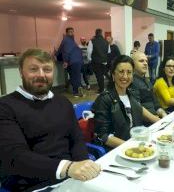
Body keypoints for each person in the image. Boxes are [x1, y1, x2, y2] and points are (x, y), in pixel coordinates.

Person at [0, 49, 100, 191]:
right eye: (33, 69)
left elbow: (76, 139)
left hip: (71, 179)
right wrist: (67, 167)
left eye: (47, 69)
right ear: (21, 72)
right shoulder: (5, 106)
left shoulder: (63, 102)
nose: (41, 75)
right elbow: (16, 156)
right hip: (33, 186)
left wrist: (82, 164)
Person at [92, 55, 160, 149]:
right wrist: (130, 146)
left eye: (129, 72)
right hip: (118, 149)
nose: (125, 76)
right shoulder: (104, 99)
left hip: (136, 143)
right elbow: (103, 135)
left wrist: (164, 122)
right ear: (113, 75)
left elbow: (142, 112)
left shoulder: (132, 95)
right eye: (121, 72)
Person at [131, 52, 167, 120]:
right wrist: (156, 120)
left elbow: (156, 104)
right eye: (141, 61)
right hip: (145, 124)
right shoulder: (131, 82)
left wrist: (163, 114)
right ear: (132, 64)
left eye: (146, 61)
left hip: (156, 119)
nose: (145, 63)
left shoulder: (148, 81)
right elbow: (137, 108)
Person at [56, 27, 83, 97]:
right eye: (70, 32)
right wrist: (65, 61)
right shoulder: (67, 40)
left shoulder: (70, 40)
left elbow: (62, 50)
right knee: (75, 76)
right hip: (75, 61)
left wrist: (59, 57)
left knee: (74, 76)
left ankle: (76, 91)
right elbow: (65, 51)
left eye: (72, 31)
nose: (71, 33)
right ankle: (76, 91)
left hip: (75, 61)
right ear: (67, 33)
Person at [87, 28, 109, 93]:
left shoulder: (92, 41)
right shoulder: (106, 41)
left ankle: (101, 89)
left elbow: (89, 52)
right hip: (104, 61)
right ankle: (103, 88)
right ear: (101, 33)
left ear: (95, 33)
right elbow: (108, 51)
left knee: (99, 76)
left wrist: (89, 59)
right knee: (102, 75)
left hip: (96, 61)